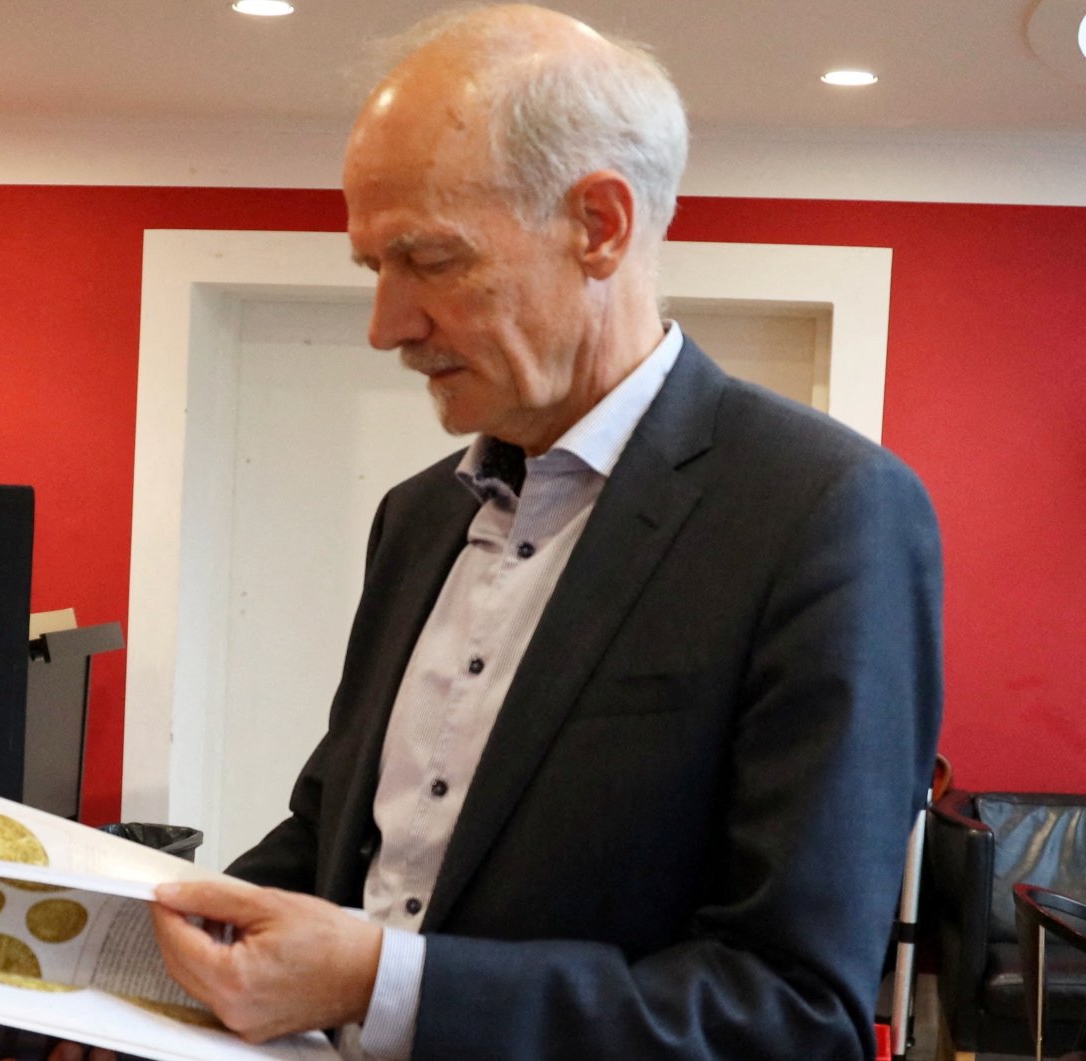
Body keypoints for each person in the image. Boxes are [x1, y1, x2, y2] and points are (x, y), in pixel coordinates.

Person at [63, 5, 942, 1059]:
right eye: (370, 269)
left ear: (600, 226)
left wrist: (382, 981)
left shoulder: (823, 511)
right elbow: (334, 835)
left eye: (428, 259)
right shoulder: (418, 514)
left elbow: (792, 1013)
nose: (385, 325)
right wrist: (123, 963)